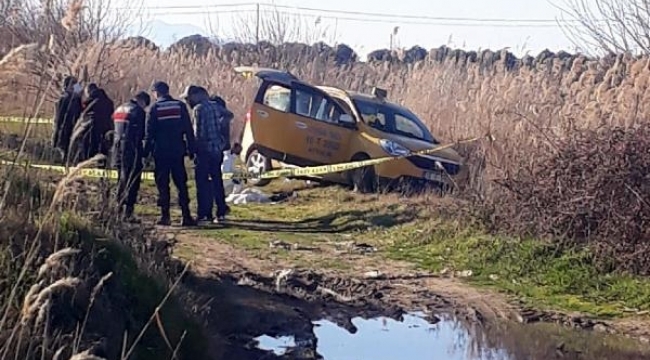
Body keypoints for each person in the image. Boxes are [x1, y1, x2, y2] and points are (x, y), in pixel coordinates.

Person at [143, 81, 197, 227]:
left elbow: (149, 133)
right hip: (178, 150)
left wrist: (145, 153)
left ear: (156, 92)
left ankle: (165, 216)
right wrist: (192, 149)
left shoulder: (154, 108)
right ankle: (186, 216)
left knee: (163, 184)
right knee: (181, 183)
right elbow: (188, 130)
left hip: (160, 152)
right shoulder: (180, 106)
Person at [182, 86, 232, 224]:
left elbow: (198, 133)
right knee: (217, 181)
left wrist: (193, 149)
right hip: (217, 150)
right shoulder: (215, 106)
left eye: (188, 98)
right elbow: (229, 115)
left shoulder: (199, 109)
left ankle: (204, 213)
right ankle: (221, 211)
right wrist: (222, 139)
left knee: (202, 183)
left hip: (204, 151)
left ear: (196, 95)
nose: (187, 101)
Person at [111, 91, 151, 222]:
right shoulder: (138, 111)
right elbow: (141, 133)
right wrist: (144, 152)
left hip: (117, 149)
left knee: (120, 179)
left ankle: (117, 209)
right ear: (142, 101)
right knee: (132, 180)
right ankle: (128, 212)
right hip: (131, 148)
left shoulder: (119, 108)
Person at [52, 75, 82, 162]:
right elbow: (59, 116)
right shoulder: (64, 98)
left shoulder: (77, 98)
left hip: (75, 125)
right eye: (72, 84)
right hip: (66, 125)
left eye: (75, 85)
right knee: (65, 145)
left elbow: (80, 93)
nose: (75, 87)